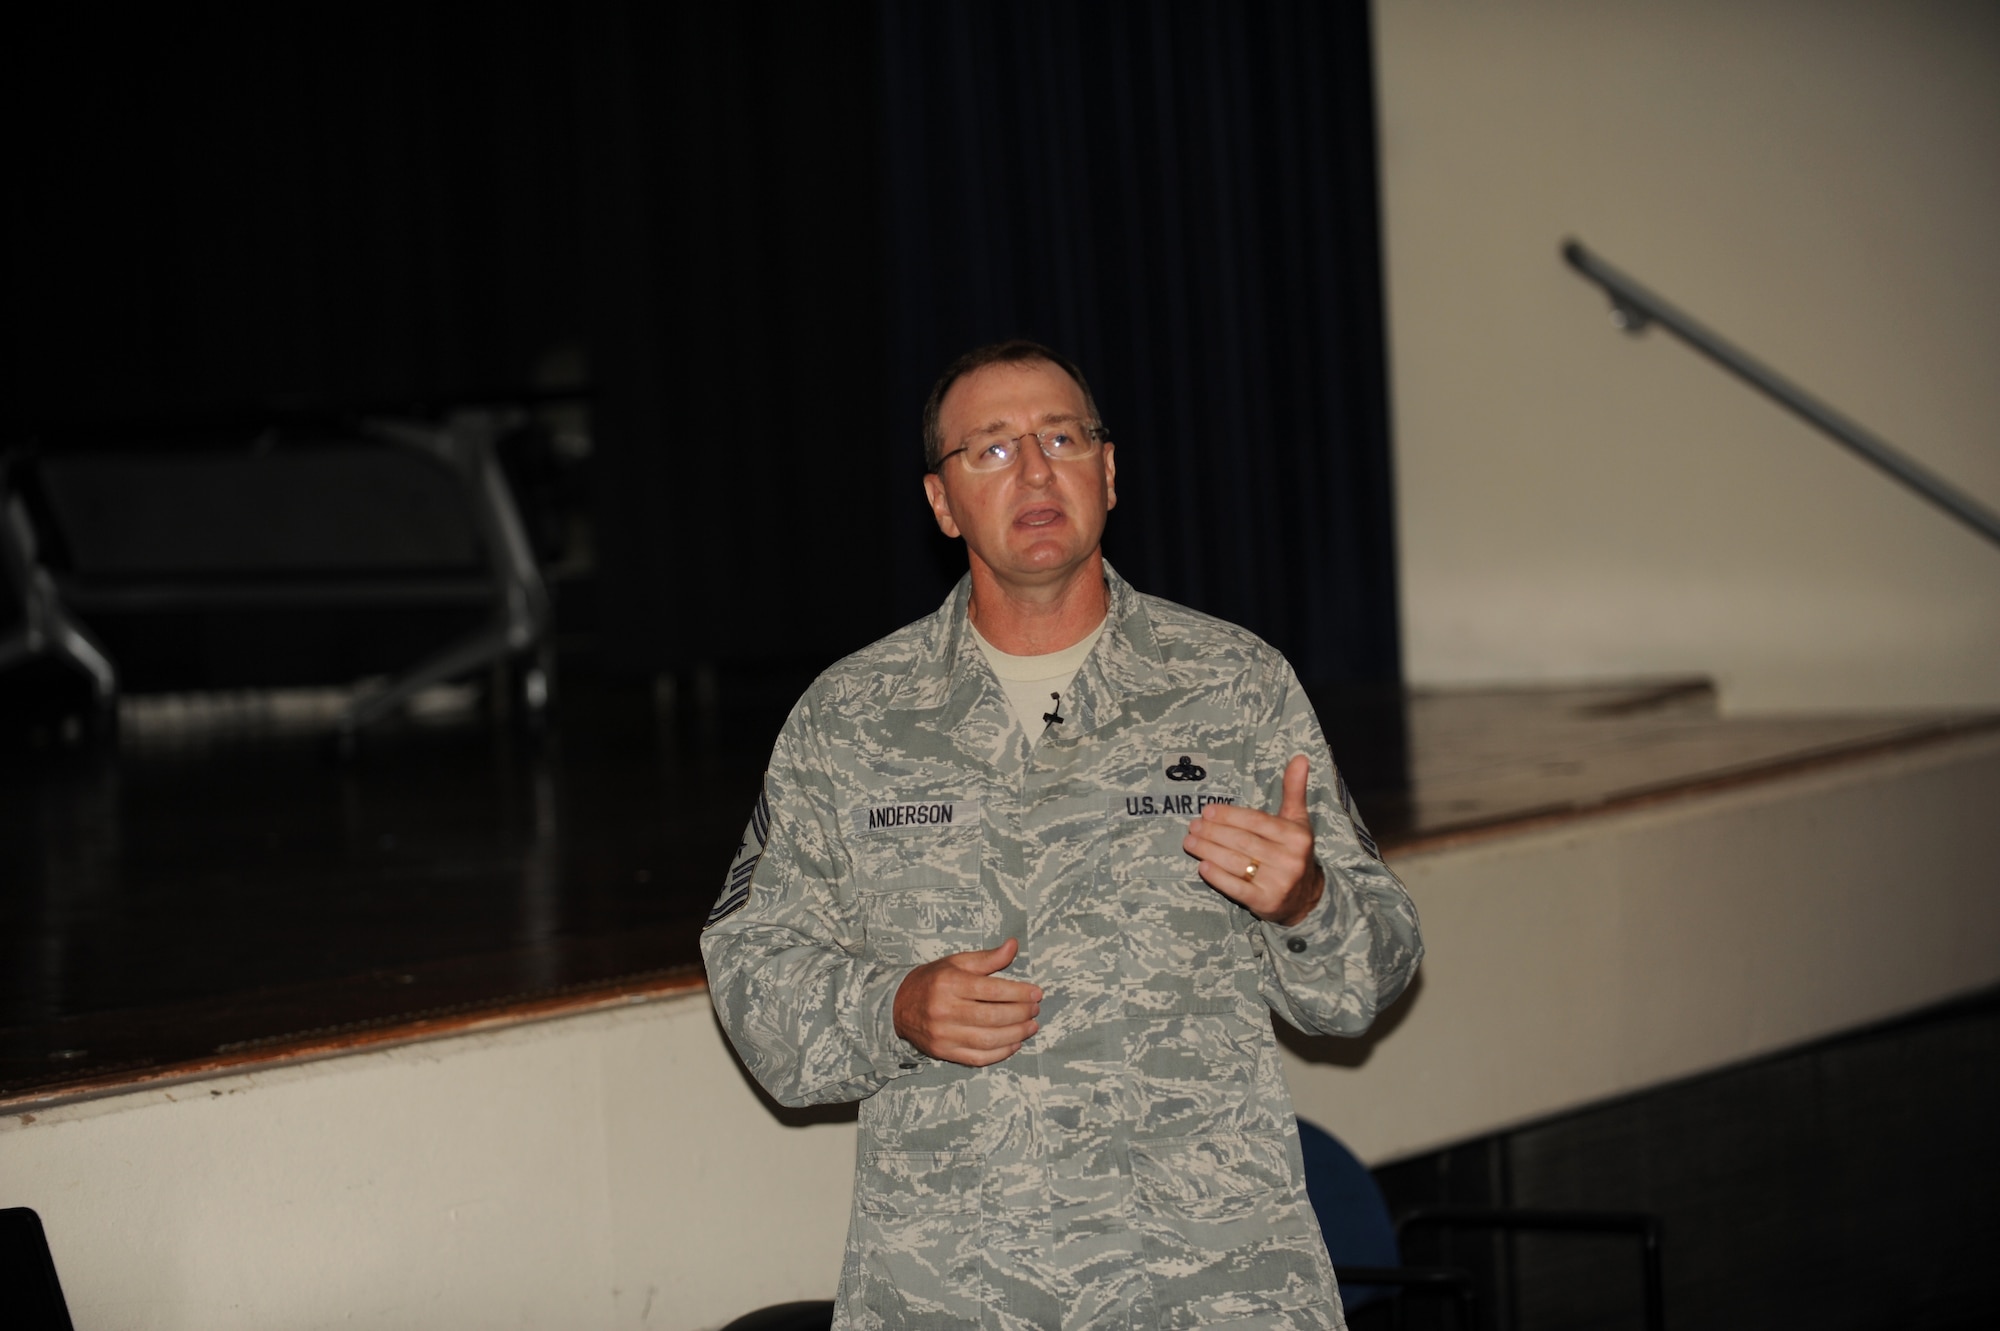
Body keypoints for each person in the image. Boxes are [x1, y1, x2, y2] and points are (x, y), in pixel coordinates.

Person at [702, 340, 1423, 1330]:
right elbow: (750, 967)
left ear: (1108, 471)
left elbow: (1362, 983)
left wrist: (1306, 903)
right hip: (954, 1288)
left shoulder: (1234, 686)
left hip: (1209, 1285)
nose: (1035, 470)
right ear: (941, 502)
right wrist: (893, 1006)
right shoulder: (851, 718)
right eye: (990, 450)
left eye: (1060, 437)